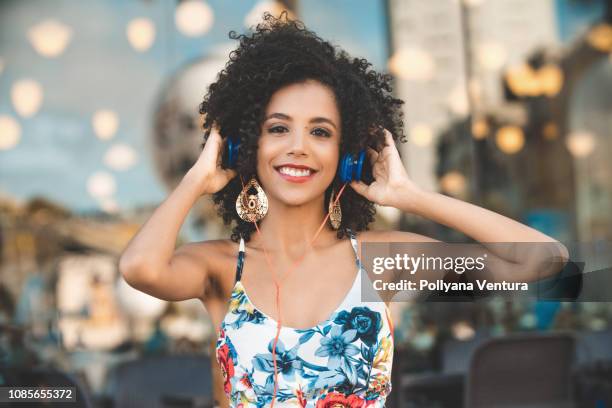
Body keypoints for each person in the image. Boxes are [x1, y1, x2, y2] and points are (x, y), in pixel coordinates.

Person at [119, 12, 569, 408]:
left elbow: (543, 260)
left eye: (320, 132)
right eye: (278, 128)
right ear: (246, 147)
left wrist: (411, 195)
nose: (298, 148)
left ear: (347, 153)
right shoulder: (218, 267)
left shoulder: (382, 262)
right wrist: (197, 179)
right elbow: (140, 268)